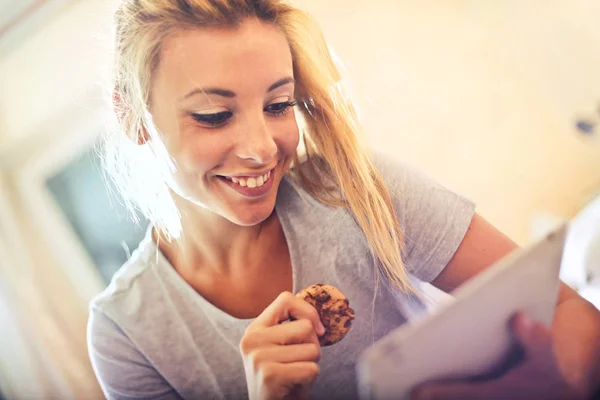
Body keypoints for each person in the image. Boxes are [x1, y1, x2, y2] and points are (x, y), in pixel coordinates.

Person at [87, 1, 600, 399]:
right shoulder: (125, 334)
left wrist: (557, 384)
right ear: (133, 117)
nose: (263, 148)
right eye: (215, 115)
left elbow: (568, 308)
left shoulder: (353, 189)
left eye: (278, 105)